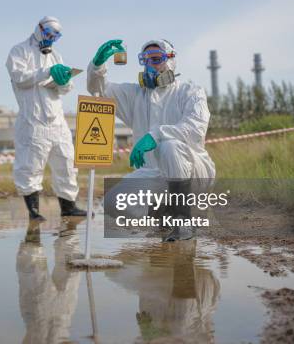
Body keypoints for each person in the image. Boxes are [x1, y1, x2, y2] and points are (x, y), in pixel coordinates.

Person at [87, 39, 215, 241]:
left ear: (171, 61)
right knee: (113, 202)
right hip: (155, 174)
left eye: (156, 59)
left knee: (170, 147)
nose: (150, 66)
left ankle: (183, 220)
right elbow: (99, 90)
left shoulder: (190, 92)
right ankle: (162, 214)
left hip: (193, 171)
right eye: (144, 61)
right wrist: (97, 65)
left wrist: (155, 134)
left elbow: (195, 128)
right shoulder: (136, 95)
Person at [6, 16, 87, 221]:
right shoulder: (20, 51)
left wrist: (64, 80)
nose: (51, 38)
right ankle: (34, 211)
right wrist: (46, 71)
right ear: (39, 29)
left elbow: (65, 89)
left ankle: (69, 207)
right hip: (33, 122)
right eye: (48, 33)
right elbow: (20, 78)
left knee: (67, 164)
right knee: (30, 167)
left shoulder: (56, 56)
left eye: (55, 36)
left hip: (57, 122)